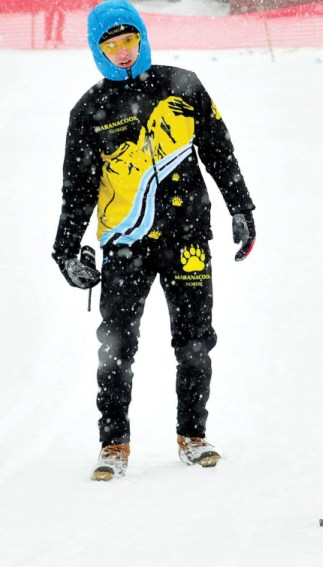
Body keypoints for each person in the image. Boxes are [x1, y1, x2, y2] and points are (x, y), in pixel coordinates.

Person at [51, 0, 256, 481]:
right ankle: (113, 443)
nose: (123, 53)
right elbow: (77, 190)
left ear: (142, 38)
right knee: (116, 346)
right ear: (97, 51)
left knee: (194, 343)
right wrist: (65, 250)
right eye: (111, 45)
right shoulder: (89, 111)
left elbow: (219, 151)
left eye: (129, 41)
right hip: (125, 245)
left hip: (188, 237)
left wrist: (241, 208)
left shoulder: (182, 86)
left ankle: (193, 435)